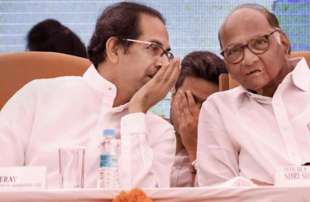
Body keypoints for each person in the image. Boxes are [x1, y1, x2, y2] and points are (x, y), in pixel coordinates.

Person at [0, 2, 180, 188]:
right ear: (114, 49)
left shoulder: (159, 132)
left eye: (167, 53)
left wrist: (137, 114)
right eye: (153, 48)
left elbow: (144, 199)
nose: (164, 64)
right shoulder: (38, 97)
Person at [196, 3, 310, 186]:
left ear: (284, 42)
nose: (248, 60)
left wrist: (294, 186)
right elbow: (217, 190)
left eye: (259, 43)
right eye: (233, 52)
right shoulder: (219, 109)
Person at [170, 51, 227, 187]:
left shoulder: (225, 156)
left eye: (207, 106)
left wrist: (194, 146)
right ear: (173, 93)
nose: (197, 113)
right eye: (191, 100)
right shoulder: (151, 140)